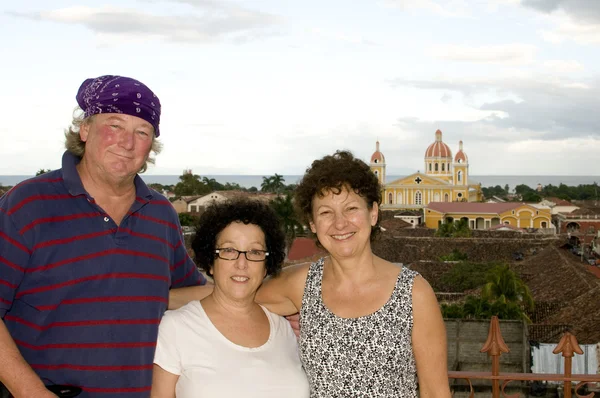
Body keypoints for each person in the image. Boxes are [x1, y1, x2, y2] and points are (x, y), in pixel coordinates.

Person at [0, 75, 209, 397]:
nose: (127, 142)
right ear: (85, 129)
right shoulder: (28, 205)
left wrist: (281, 308)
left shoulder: (160, 213)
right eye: (115, 125)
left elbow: (188, 294)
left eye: (142, 132)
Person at [255, 150, 452, 397]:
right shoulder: (301, 285)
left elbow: (435, 392)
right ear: (313, 224)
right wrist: (281, 325)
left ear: (373, 213)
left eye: (350, 208)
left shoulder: (414, 293)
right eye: (326, 212)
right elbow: (230, 300)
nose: (340, 223)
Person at [151, 199, 309, 398]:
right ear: (210, 263)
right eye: (228, 250)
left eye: (255, 252)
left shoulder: (286, 329)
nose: (241, 263)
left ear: (266, 266)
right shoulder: (176, 327)